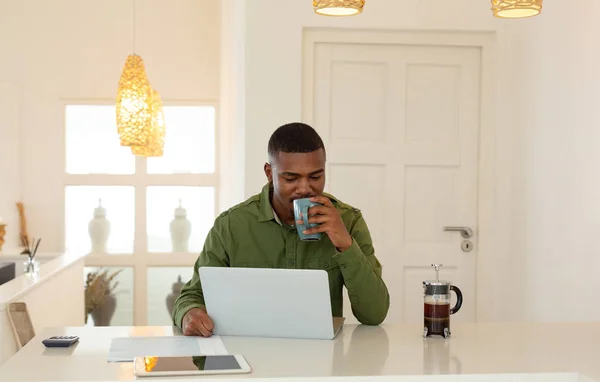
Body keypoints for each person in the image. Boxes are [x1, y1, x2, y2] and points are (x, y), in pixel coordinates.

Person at [172, 122, 390, 337]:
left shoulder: (348, 220)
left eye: (315, 177)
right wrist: (189, 314)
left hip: (321, 360)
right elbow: (191, 296)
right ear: (269, 173)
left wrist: (346, 245)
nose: (305, 188)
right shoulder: (231, 225)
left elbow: (374, 314)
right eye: (291, 178)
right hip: (248, 355)